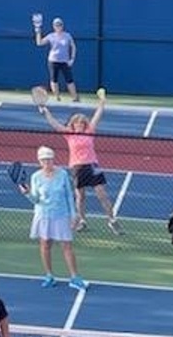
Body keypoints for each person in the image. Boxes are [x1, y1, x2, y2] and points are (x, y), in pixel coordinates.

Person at [39, 95, 121, 235]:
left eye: (82, 123)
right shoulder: (69, 134)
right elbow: (55, 124)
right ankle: (82, 221)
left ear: (85, 125)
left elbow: (97, 116)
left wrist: (102, 103)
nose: (79, 125)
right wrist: (46, 112)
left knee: (102, 194)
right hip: (77, 167)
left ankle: (112, 220)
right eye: (77, 123)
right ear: (73, 124)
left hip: (93, 166)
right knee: (80, 197)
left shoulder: (89, 132)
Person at [23, 146, 87, 290]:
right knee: (45, 245)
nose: (47, 162)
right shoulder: (36, 177)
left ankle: (75, 277)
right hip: (43, 216)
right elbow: (35, 200)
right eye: (44, 160)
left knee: (67, 246)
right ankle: (49, 276)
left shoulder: (62, 174)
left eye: (49, 159)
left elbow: (69, 196)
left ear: (53, 159)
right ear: (40, 161)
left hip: (62, 215)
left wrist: (74, 214)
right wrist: (27, 193)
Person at [35, 17, 79, 102]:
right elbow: (39, 43)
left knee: (69, 80)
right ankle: (57, 97)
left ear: (62, 26)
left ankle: (75, 98)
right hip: (53, 61)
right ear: (53, 26)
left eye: (60, 25)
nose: (58, 27)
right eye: (56, 25)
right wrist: (38, 31)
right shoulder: (51, 36)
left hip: (65, 62)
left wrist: (72, 59)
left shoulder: (67, 35)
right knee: (54, 80)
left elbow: (73, 47)